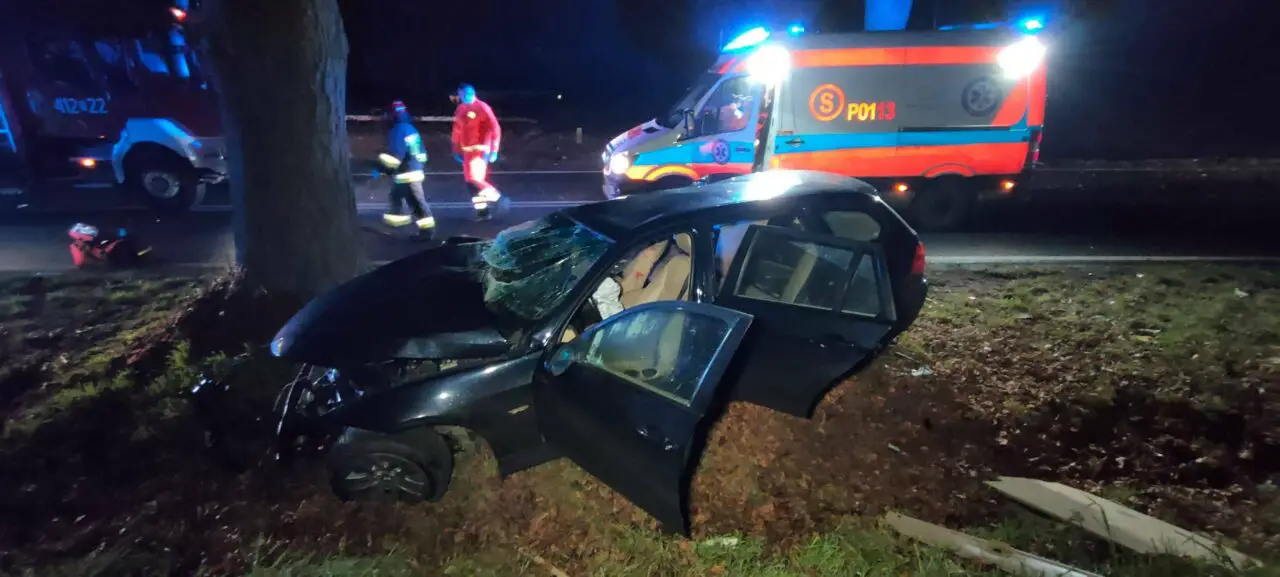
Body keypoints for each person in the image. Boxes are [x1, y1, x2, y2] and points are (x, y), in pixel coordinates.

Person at [376, 100, 435, 238]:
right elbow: (421, 151)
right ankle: (395, 228)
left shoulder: (397, 130)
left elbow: (396, 155)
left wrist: (384, 170)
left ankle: (427, 233)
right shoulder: (409, 127)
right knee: (397, 199)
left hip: (407, 173)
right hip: (412, 169)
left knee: (416, 204)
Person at [450, 83, 503, 220]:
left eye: (467, 94)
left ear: (473, 93)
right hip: (467, 152)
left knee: (475, 179)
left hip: (480, 150)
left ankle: (498, 199)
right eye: (462, 94)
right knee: (471, 184)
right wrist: (456, 149)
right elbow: (457, 131)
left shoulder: (482, 107)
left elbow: (495, 128)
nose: (465, 97)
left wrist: (494, 149)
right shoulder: (461, 109)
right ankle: (483, 212)